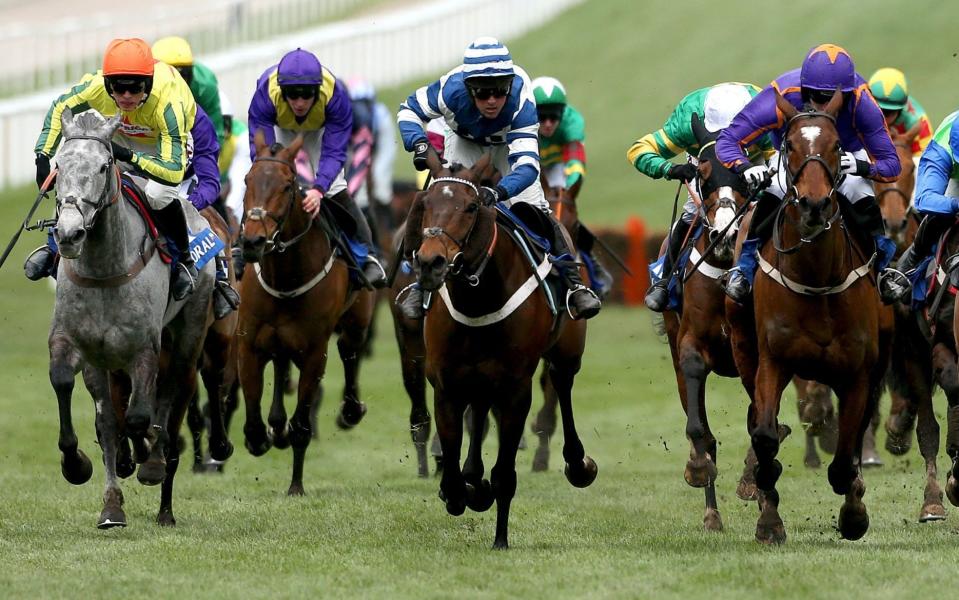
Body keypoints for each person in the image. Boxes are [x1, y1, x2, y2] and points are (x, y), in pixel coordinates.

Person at [396, 37, 601, 320]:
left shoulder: (521, 99)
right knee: (440, 205)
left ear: (509, 85)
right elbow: (407, 110)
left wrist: (500, 192)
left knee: (538, 211)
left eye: (499, 91)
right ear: (468, 88)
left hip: (508, 147)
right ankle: (421, 285)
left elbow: (528, 166)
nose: (491, 100)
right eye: (481, 92)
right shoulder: (449, 89)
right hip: (464, 143)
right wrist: (418, 142)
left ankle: (574, 285)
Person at [715, 43, 904, 304]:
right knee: (773, 190)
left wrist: (862, 167)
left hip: (844, 154)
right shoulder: (781, 95)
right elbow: (727, 142)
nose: (823, 105)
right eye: (816, 95)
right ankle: (745, 270)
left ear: (847, 94)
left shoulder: (862, 102)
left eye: (832, 98)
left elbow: (892, 165)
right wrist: (746, 168)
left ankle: (884, 271)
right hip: (795, 155)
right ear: (804, 89)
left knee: (861, 193)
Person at [30, 38, 199, 299]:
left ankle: (183, 261)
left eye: (135, 89)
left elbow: (173, 170)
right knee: (80, 170)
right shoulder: (95, 87)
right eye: (119, 89)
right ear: (108, 84)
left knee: (158, 194)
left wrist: (130, 157)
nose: (127, 96)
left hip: (164, 143)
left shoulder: (169, 103)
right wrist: (43, 155)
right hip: (121, 133)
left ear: (149, 84)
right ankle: (54, 249)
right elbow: (60, 107)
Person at [627, 82, 773, 311]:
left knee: (773, 205)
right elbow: (638, 150)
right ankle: (665, 282)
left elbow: (782, 156)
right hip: (705, 162)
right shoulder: (686, 119)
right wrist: (670, 169)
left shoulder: (764, 113)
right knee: (691, 213)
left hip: (750, 162)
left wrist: (767, 175)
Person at [248, 47, 386, 288]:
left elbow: (334, 153)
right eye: (292, 95)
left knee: (336, 187)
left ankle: (370, 257)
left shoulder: (336, 96)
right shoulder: (265, 94)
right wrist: (269, 172)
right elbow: (261, 153)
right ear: (281, 90)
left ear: (317, 90)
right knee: (263, 182)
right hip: (279, 127)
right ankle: (242, 248)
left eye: (307, 95)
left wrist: (319, 189)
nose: (299, 103)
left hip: (321, 130)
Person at [532, 75, 613, 298]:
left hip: (558, 166)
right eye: (542, 116)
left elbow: (576, 165)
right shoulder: (522, 120)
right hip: (531, 163)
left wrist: (568, 191)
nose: (548, 123)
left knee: (563, 210)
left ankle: (594, 268)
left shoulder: (572, 121)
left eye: (553, 116)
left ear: (563, 113)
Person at [889, 110, 959, 280]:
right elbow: (925, 199)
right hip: (955, 179)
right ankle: (912, 261)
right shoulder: (940, 151)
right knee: (941, 212)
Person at [345, 77, 397, 244]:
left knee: (380, 185)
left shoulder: (381, 115)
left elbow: (387, 149)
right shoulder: (341, 118)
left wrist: (376, 174)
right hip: (353, 153)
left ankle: (387, 227)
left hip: (376, 152)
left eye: (364, 104)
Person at [152, 36, 225, 148]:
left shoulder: (204, 86)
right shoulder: (138, 86)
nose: (177, 82)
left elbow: (214, 131)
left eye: (182, 75)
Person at [868, 67, 933, 158]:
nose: (881, 117)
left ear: (899, 110)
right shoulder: (856, 109)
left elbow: (924, 163)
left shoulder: (919, 123)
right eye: (876, 109)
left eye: (887, 112)